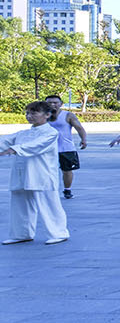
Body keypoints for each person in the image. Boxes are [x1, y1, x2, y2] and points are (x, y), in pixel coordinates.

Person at [0, 100, 70, 245]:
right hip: (22, 173)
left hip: (41, 174)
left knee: (49, 204)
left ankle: (59, 232)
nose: (29, 116)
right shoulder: (23, 133)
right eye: (27, 113)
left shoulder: (51, 133)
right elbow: (5, 141)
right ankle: (21, 234)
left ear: (47, 115)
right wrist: (8, 148)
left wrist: (14, 149)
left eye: (34, 113)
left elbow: (36, 146)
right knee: (20, 204)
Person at [43, 95, 87, 200]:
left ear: (61, 104)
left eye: (55, 102)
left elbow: (79, 128)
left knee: (66, 171)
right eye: (50, 103)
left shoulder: (68, 115)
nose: (53, 105)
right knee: (46, 170)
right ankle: (48, 190)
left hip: (65, 148)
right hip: (47, 149)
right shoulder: (42, 115)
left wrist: (84, 139)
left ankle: (67, 189)